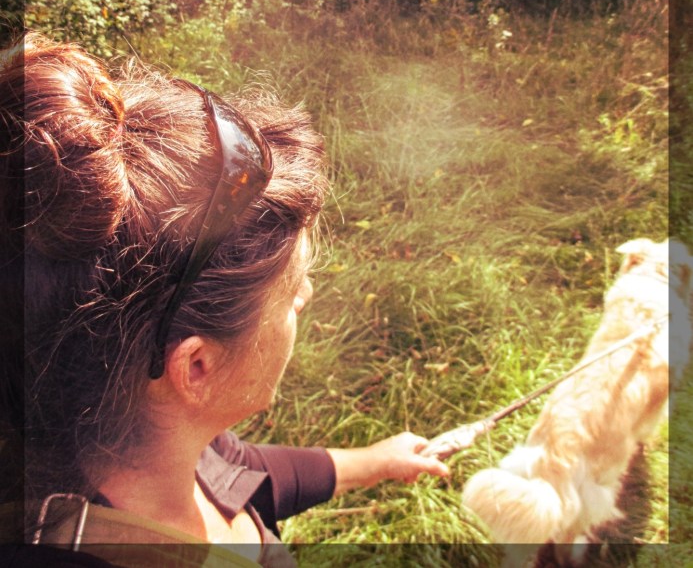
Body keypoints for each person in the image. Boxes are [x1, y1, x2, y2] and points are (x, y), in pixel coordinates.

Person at [0, 32, 448, 567]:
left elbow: (238, 472)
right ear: (196, 368)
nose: (306, 295)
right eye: (290, 292)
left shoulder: (140, 431)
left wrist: (376, 462)